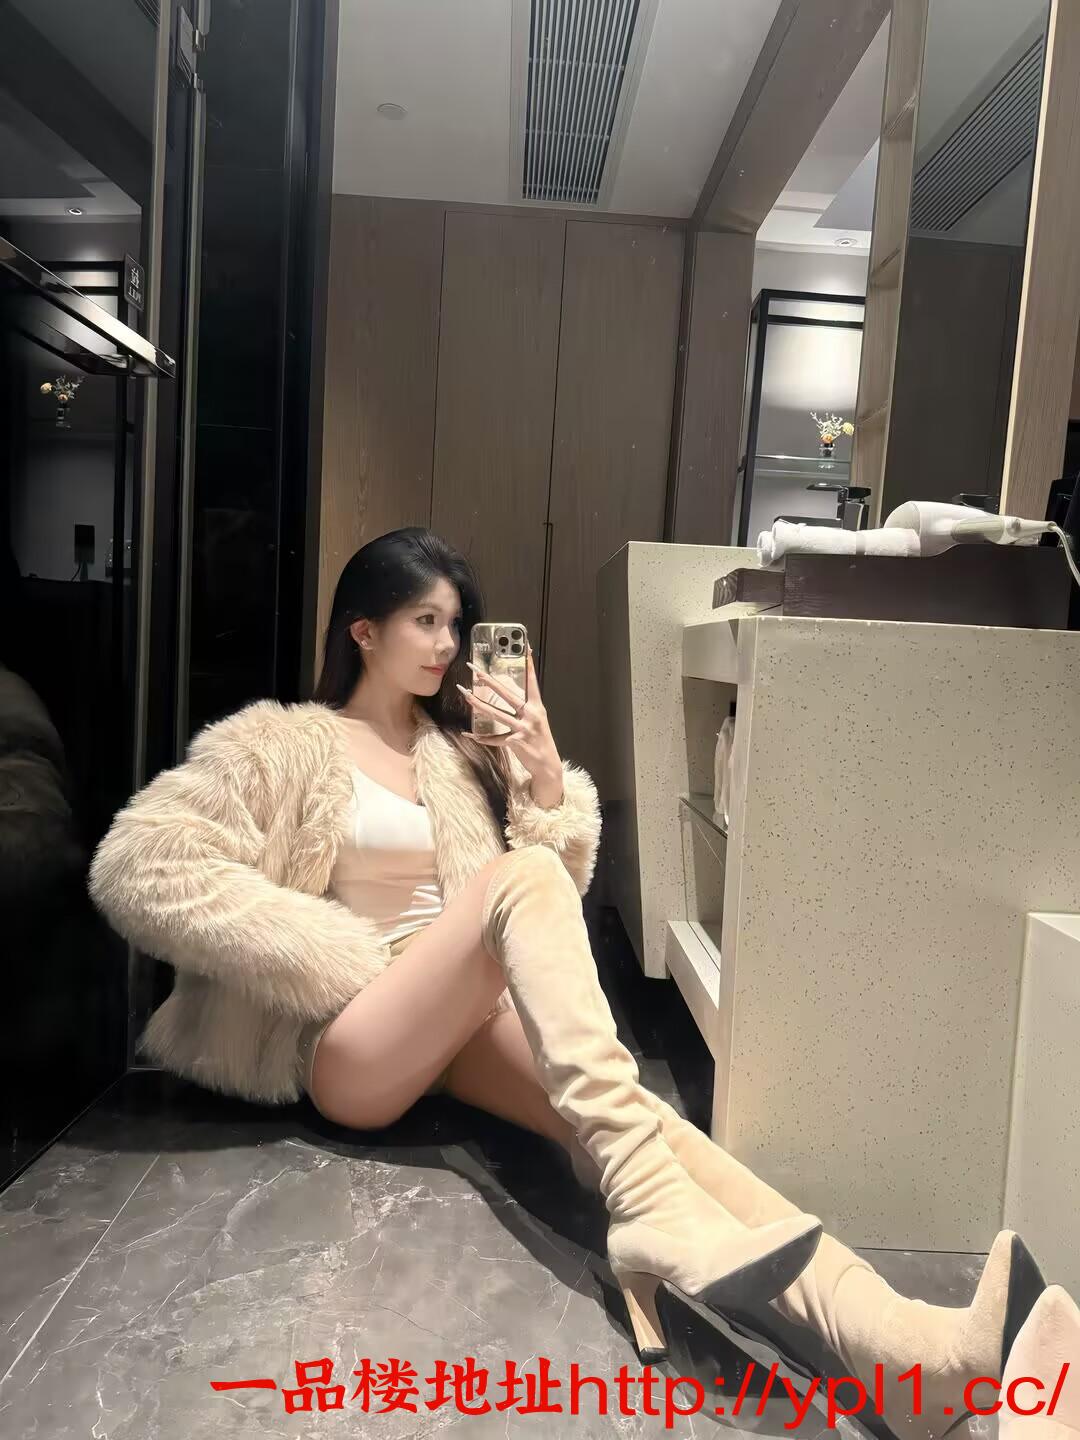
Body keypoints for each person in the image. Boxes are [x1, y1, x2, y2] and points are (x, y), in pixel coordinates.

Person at [88, 527, 1046, 1438]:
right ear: (363, 630)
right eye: (424, 620)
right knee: (527, 888)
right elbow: (141, 866)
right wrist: (336, 961)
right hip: (354, 1048)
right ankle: (654, 1213)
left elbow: (550, 891)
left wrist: (542, 773)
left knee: (637, 1124)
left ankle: (903, 1352)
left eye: (457, 623)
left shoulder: (456, 752)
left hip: (460, 1025)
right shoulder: (282, 746)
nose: (448, 644)